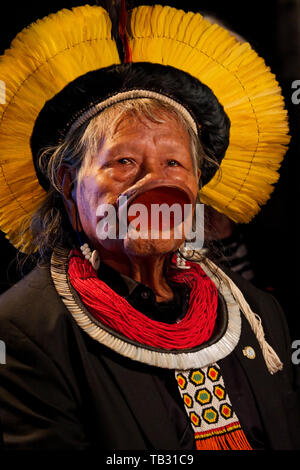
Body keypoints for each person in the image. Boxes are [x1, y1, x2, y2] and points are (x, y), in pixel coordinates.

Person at [0, 3, 299, 451]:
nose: (155, 181)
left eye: (174, 162)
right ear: (67, 182)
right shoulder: (24, 331)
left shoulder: (258, 316)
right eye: (124, 161)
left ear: (198, 183)